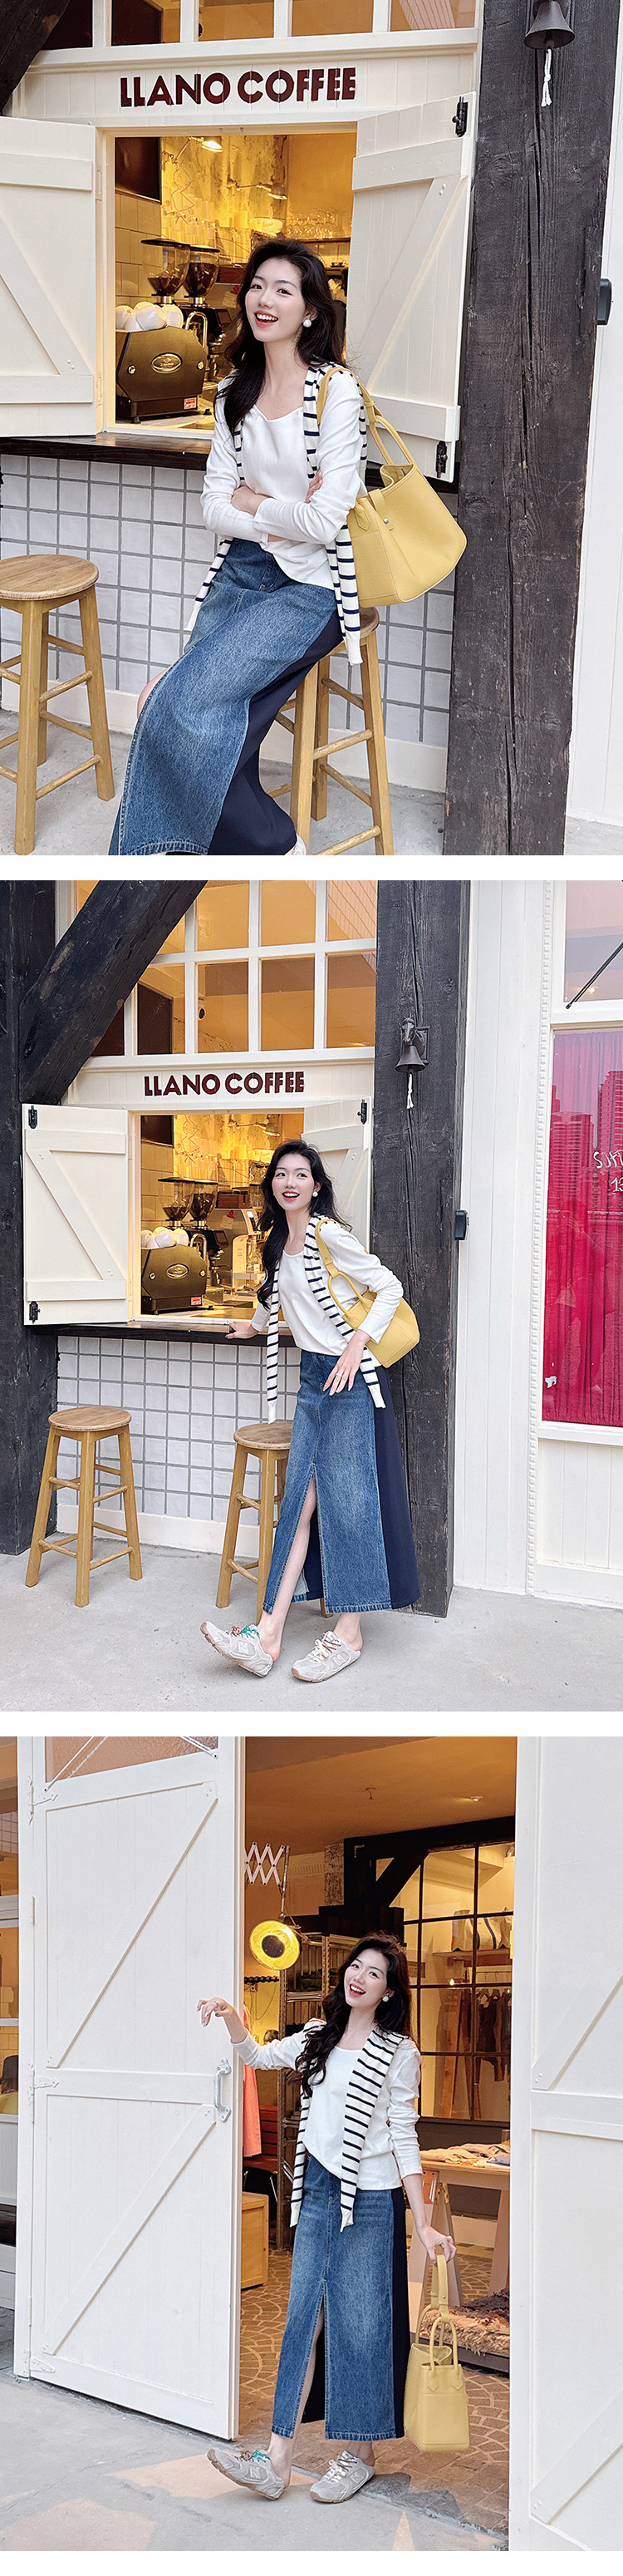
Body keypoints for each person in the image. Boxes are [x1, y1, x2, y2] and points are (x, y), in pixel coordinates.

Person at [109, 239, 368, 856]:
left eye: (283, 289)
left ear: (310, 310)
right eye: (257, 286)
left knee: (174, 708)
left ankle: (268, 850)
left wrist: (252, 502)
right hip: (242, 570)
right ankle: (216, 853)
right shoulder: (233, 394)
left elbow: (325, 525)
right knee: (168, 707)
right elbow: (213, 509)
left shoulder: (336, 393)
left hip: (312, 588)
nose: (264, 299)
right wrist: (278, 517)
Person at [198, 1933, 454, 2505]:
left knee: (361, 2326)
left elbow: (404, 2137)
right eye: (355, 1966)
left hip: (371, 2199)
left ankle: (360, 2456)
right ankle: (277, 2461)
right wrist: (233, 2017)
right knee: (302, 2321)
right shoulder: (319, 2035)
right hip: (317, 2189)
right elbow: (259, 2057)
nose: (358, 1977)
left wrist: (423, 2220)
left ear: (389, 1992)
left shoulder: (400, 2051)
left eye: (374, 1973)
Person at [201, 1140, 420, 1684]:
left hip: (349, 1380)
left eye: (301, 1174)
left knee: (349, 1506)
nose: (290, 1182)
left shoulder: (329, 1235)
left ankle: (349, 1634)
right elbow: (275, 1296)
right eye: (282, 1173)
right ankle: (267, 1637)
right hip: (311, 1382)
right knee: (297, 1506)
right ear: (272, 1185)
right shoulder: (279, 1241)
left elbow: (389, 1286)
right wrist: (253, 1325)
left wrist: (356, 1343)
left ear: (316, 1186)